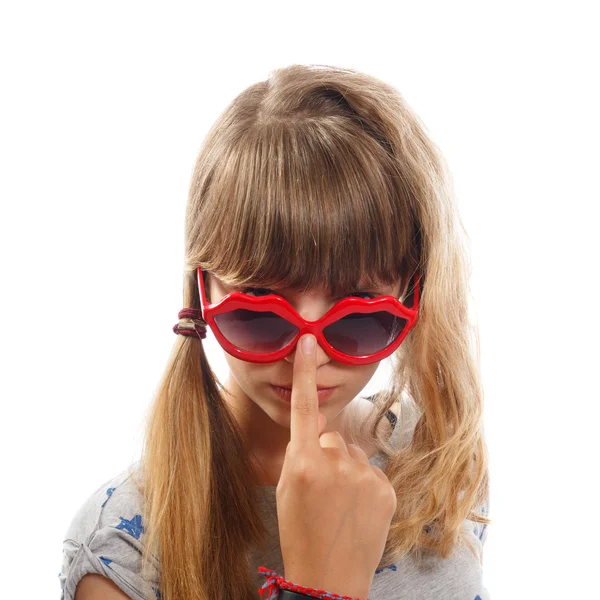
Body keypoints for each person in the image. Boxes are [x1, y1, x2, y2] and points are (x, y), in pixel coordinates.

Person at [59, 63, 491, 600]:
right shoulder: (120, 555)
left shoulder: (437, 454)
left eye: (359, 319)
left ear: (413, 296)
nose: (306, 358)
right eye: (260, 316)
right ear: (202, 293)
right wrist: (319, 587)